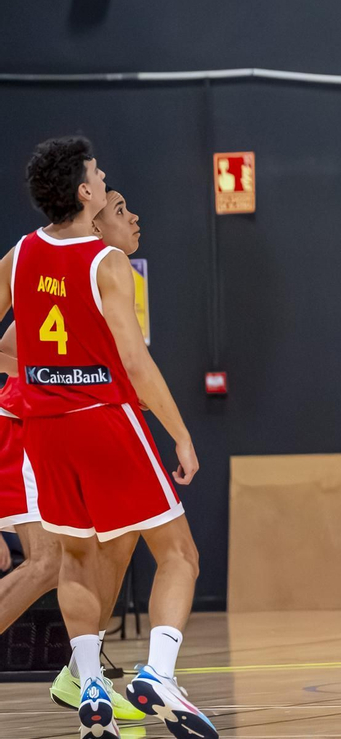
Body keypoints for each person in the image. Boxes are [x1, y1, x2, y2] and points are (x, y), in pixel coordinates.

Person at [0, 137, 214, 739]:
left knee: (74, 558)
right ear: (84, 193)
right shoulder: (105, 261)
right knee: (178, 554)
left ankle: (90, 680)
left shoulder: (21, 255)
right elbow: (136, 364)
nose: (103, 178)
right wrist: (180, 434)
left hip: (45, 430)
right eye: (97, 173)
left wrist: (31, 373)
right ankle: (158, 676)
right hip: (104, 417)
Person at [0, 189, 147, 725]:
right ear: (94, 226)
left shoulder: (110, 277)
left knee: (119, 539)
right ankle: (79, 673)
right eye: (120, 210)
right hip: (24, 426)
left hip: (73, 432)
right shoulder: (57, 275)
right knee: (48, 564)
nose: (133, 218)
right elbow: (10, 347)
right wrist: (43, 375)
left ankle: (81, 668)